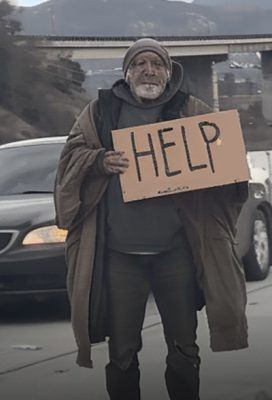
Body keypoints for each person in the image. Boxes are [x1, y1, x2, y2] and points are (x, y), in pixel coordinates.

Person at [54, 38, 249, 400]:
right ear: (127, 73)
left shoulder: (190, 109)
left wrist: (226, 162)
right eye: (140, 64)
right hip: (119, 255)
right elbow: (70, 156)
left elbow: (229, 163)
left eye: (156, 64)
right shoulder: (100, 112)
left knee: (184, 349)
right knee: (122, 352)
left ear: (168, 70)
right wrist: (99, 161)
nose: (148, 70)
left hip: (176, 253)